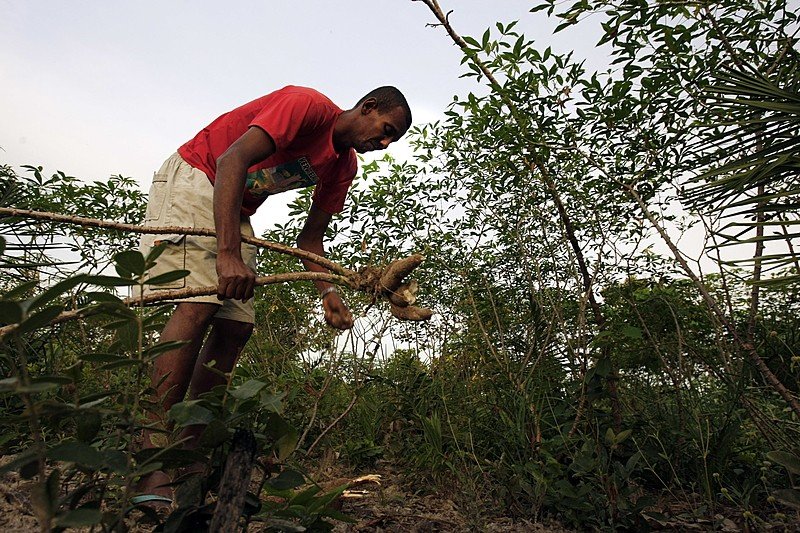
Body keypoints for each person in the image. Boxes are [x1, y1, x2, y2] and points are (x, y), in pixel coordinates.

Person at [136, 85, 411, 497]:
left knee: (236, 327)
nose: (385, 142)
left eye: (393, 139)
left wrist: (327, 292)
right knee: (200, 304)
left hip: (233, 210)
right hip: (198, 177)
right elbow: (232, 159)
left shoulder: (342, 167)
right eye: (386, 129)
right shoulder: (307, 107)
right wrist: (228, 254)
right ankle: (151, 460)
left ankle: (188, 455)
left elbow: (310, 241)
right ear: (368, 108)